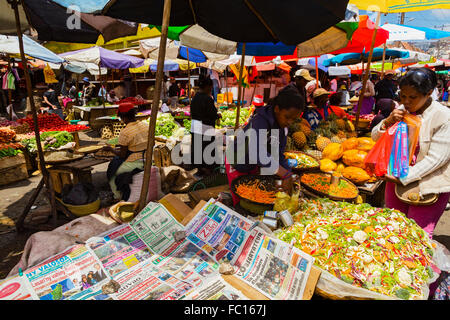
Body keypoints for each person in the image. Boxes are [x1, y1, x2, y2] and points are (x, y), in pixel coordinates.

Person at [371, 68, 450, 239]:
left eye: (412, 97)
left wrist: (403, 176)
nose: (406, 101)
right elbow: (375, 137)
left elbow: (436, 160)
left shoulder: (443, 117)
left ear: (429, 93)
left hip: (428, 186)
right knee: (393, 228)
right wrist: (387, 121)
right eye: (403, 96)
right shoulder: (402, 109)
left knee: (417, 237)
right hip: (396, 180)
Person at [225, 88, 305, 206]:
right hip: (236, 161)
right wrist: (284, 174)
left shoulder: (283, 129)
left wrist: (289, 173)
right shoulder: (260, 120)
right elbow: (256, 151)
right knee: (241, 199)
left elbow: (278, 155)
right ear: (277, 109)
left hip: (252, 164)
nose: (290, 122)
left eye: (294, 119)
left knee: (253, 194)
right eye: (287, 117)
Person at [103, 102, 149, 200]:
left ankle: (118, 195)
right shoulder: (145, 125)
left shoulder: (125, 132)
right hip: (148, 157)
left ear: (123, 117)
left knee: (112, 170)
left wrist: (111, 149)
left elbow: (122, 155)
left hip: (135, 162)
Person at [189, 75, 221, 175]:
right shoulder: (207, 99)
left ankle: (199, 170)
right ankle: (207, 172)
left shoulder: (195, 98)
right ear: (208, 87)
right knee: (207, 150)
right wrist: (217, 115)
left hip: (195, 127)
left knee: (198, 149)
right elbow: (212, 114)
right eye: (211, 87)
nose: (211, 89)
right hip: (205, 128)